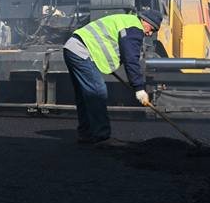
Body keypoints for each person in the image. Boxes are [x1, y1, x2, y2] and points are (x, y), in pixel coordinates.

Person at [62, 9, 162, 145]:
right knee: (97, 92)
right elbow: (131, 59)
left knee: (85, 95)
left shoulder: (126, 21)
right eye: (152, 28)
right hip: (82, 51)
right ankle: (101, 137)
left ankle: (86, 134)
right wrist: (139, 88)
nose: (149, 33)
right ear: (145, 21)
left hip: (72, 49)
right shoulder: (134, 27)